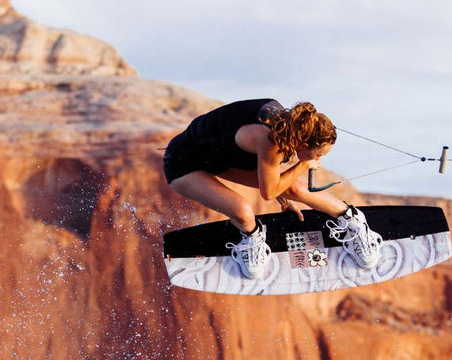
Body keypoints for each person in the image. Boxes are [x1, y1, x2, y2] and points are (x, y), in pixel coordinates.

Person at [163, 98, 381, 278]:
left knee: (294, 188)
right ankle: (251, 238)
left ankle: (353, 221)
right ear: (303, 145)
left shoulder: (285, 123)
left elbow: (272, 176)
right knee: (243, 211)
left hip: (219, 158)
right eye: (319, 155)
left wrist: (285, 200)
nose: (319, 161)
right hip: (183, 164)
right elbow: (268, 192)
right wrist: (304, 164)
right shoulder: (271, 140)